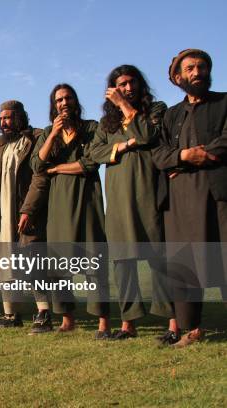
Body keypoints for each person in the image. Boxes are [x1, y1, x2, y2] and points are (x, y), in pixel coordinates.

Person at [152, 49, 227, 347]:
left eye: (202, 67)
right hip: (180, 198)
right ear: (178, 77)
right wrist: (183, 155)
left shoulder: (224, 102)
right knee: (184, 263)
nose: (198, 72)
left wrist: (199, 156)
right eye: (191, 68)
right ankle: (192, 329)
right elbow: (158, 154)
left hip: (218, 192)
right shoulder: (171, 115)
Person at [89, 65, 169, 340]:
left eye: (132, 82)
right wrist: (123, 145)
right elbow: (94, 152)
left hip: (148, 189)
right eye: (121, 85)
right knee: (123, 262)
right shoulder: (106, 124)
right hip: (119, 197)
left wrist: (124, 105)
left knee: (159, 256)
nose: (128, 88)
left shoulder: (157, 109)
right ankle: (128, 323)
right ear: (113, 87)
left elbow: (148, 135)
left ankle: (172, 321)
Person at [30, 84, 110, 337]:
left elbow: (90, 163)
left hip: (87, 199)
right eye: (59, 100)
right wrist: (53, 134)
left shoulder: (91, 128)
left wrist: (55, 169)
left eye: (68, 98)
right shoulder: (47, 134)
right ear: (54, 106)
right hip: (58, 202)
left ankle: (103, 322)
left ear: (75, 101)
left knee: (93, 261)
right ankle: (67, 318)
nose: (64, 103)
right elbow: (36, 164)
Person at [0, 101, 50, 329]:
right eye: (2, 119)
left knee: (33, 263)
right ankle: (11, 315)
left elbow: (40, 177)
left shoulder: (35, 138)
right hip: (3, 216)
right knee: (7, 264)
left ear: (21, 118)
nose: (4, 122)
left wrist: (28, 210)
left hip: (27, 212)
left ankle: (44, 313)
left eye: (9, 118)